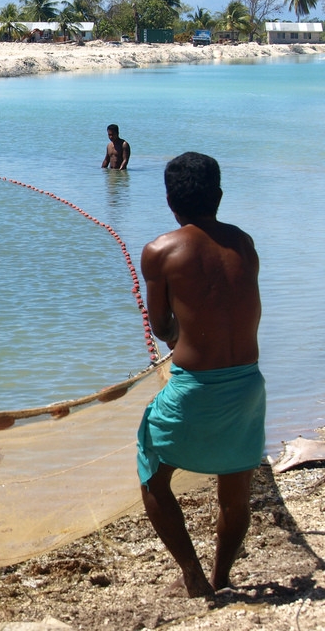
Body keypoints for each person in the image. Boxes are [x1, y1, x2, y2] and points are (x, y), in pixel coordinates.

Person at [137, 151, 265, 598]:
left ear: (170, 200)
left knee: (152, 471)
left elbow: (162, 328)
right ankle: (222, 578)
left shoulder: (160, 250)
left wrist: (178, 330)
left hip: (196, 387)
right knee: (235, 489)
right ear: (219, 196)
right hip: (249, 383)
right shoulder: (244, 243)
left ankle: (193, 576)